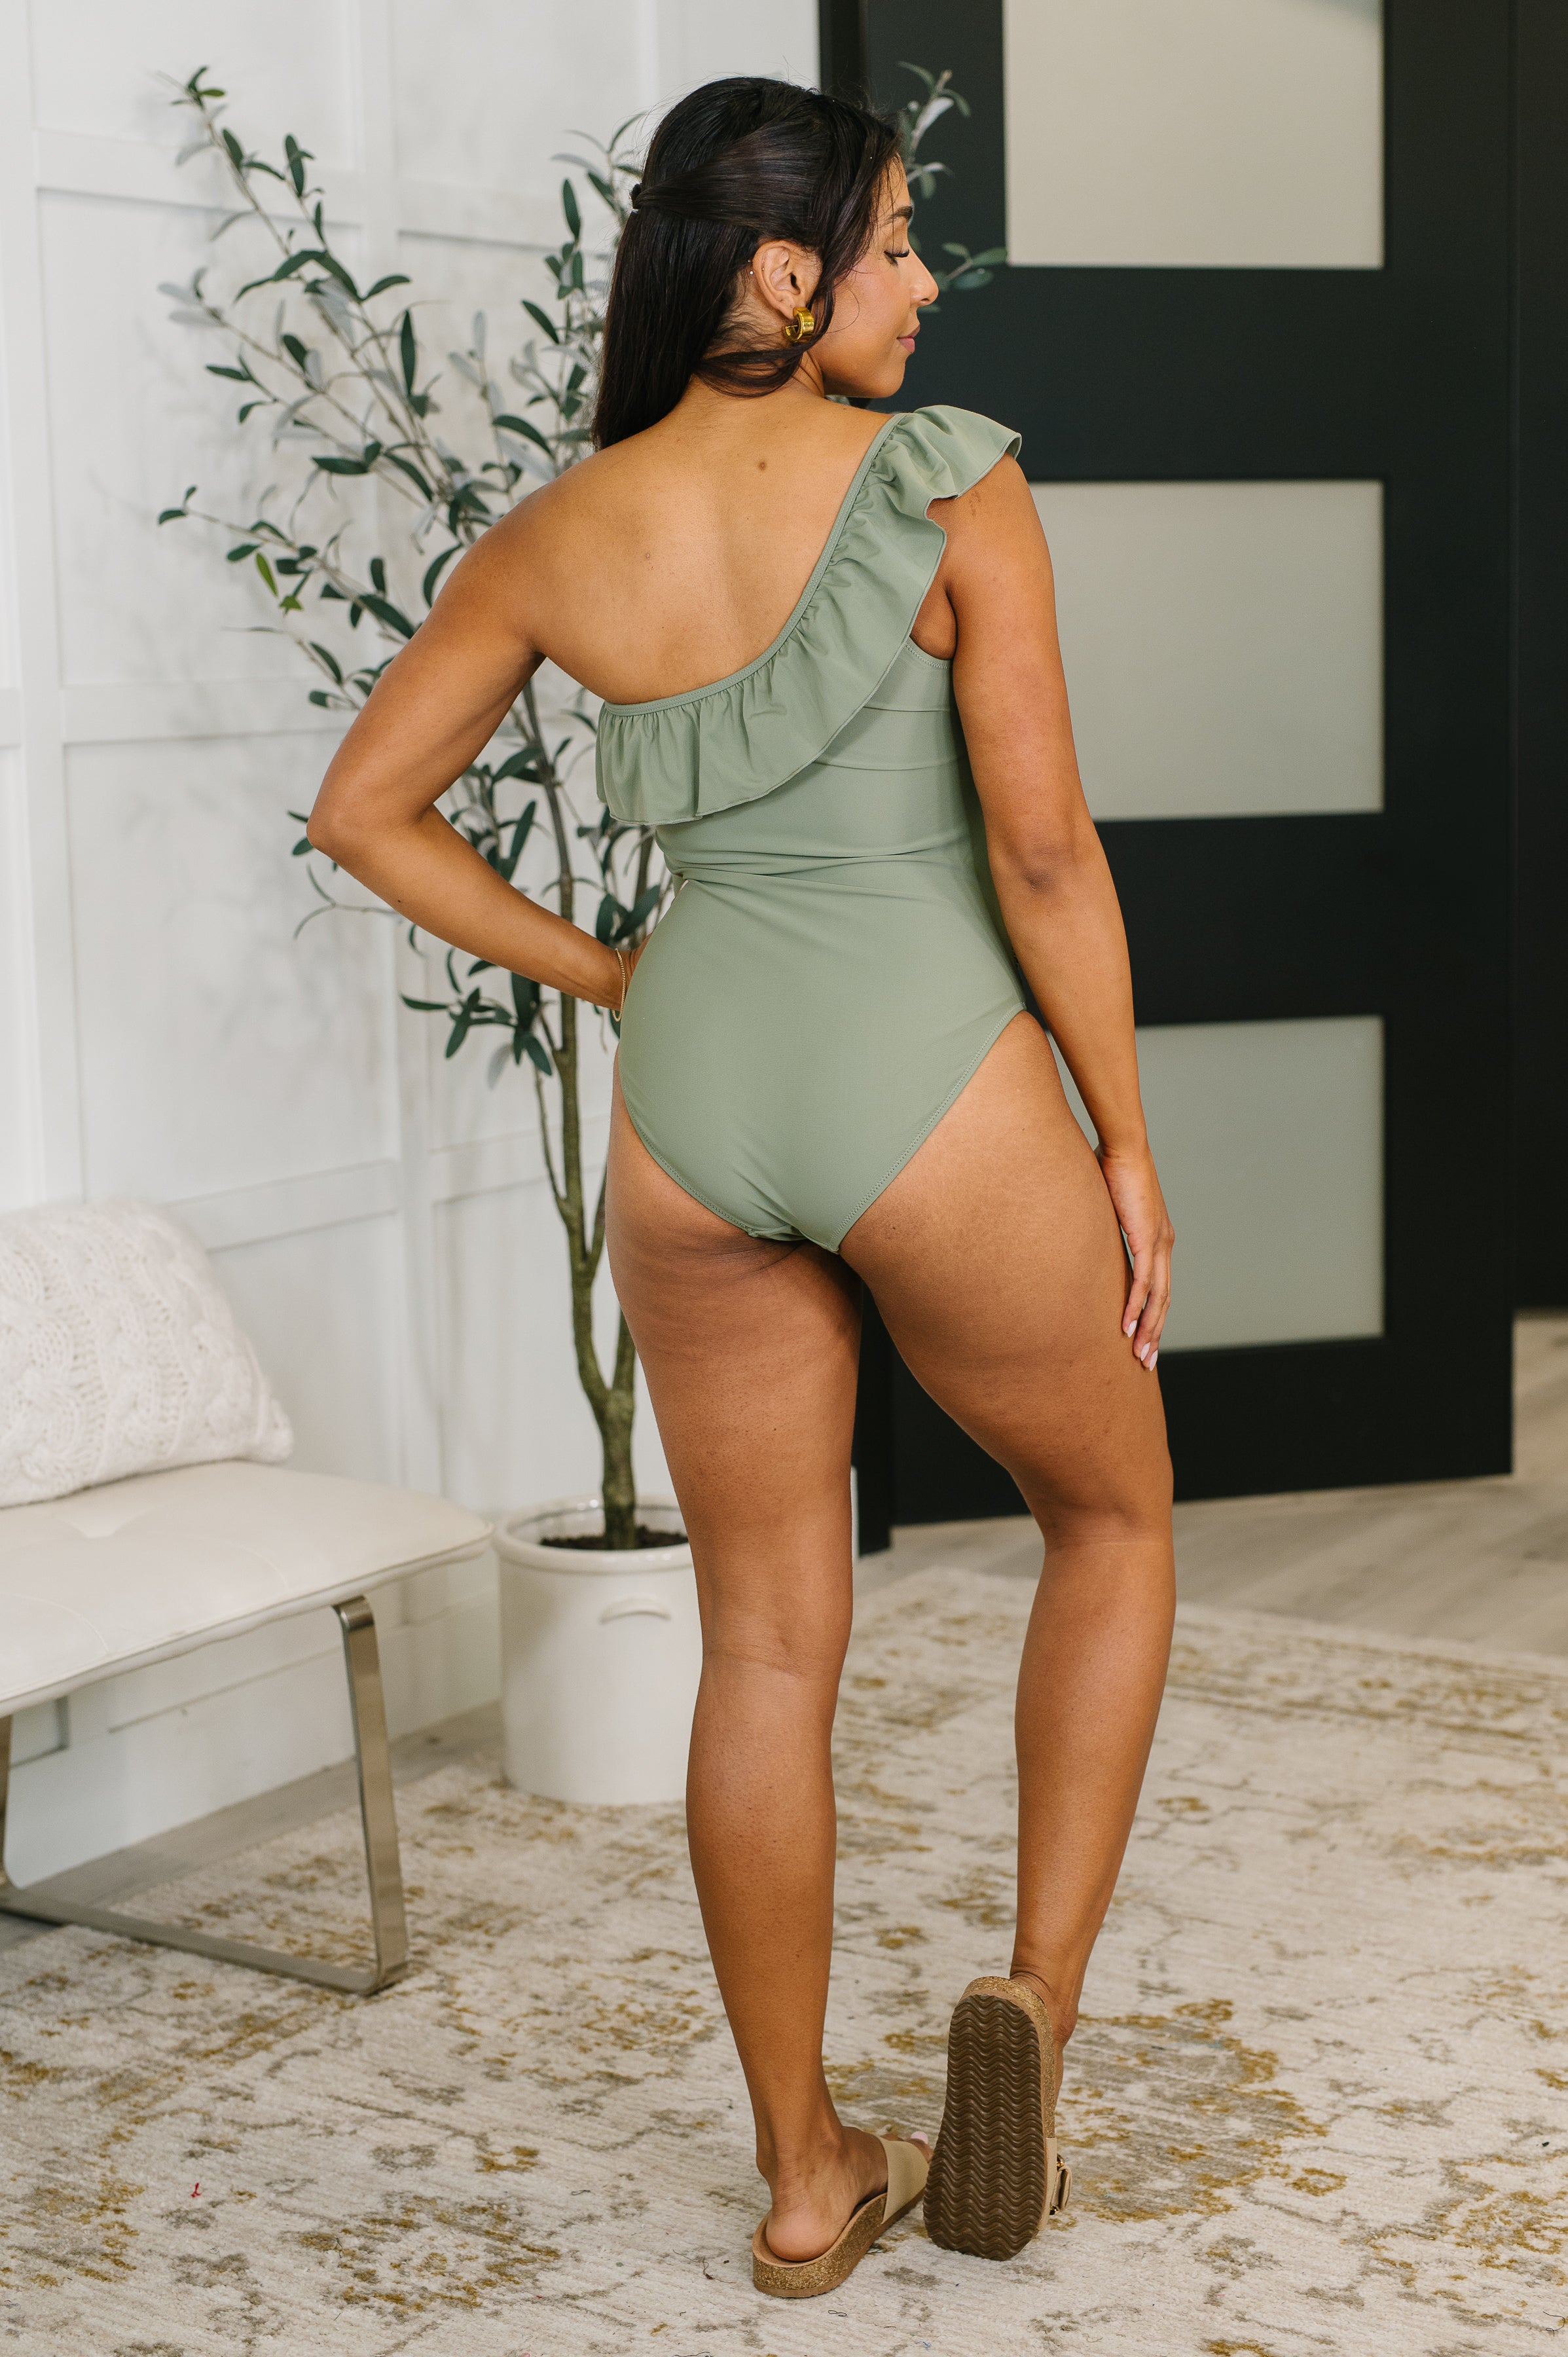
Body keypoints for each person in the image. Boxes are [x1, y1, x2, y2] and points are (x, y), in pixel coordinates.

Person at [308, 76, 1175, 2302]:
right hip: (929, 1080)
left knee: (763, 1640)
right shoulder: (949, 478)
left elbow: (365, 811)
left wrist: (620, 976)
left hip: (693, 1103)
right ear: (784, 271)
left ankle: (804, 2180)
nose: (917, 285)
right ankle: (1032, 2004)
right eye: (888, 245)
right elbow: (1043, 855)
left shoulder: (563, 529)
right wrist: (1120, 1133)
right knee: (1109, 1520)